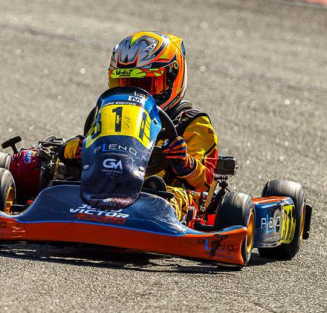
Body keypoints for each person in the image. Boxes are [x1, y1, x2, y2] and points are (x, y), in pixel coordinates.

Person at [62, 31, 218, 220]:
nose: (135, 94)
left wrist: (184, 162)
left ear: (171, 78)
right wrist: (74, 149)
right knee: (44, 169)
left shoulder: (193, 123)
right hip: (107, 185)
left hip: (161, 195)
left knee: (169, 199)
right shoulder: (114, 113)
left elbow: (206, 184)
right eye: (126, 83)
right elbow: (93, 147)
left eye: (146, 84)